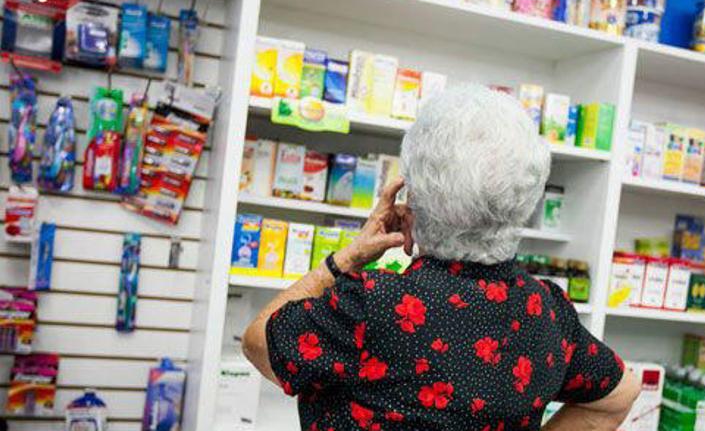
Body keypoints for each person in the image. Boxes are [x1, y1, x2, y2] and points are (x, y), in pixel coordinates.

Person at [242, 84, 639, 430]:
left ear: (412, 200)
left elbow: (259, 343)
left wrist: (344, 260)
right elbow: (620, 395)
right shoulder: (547, 311)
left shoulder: (373, 304)